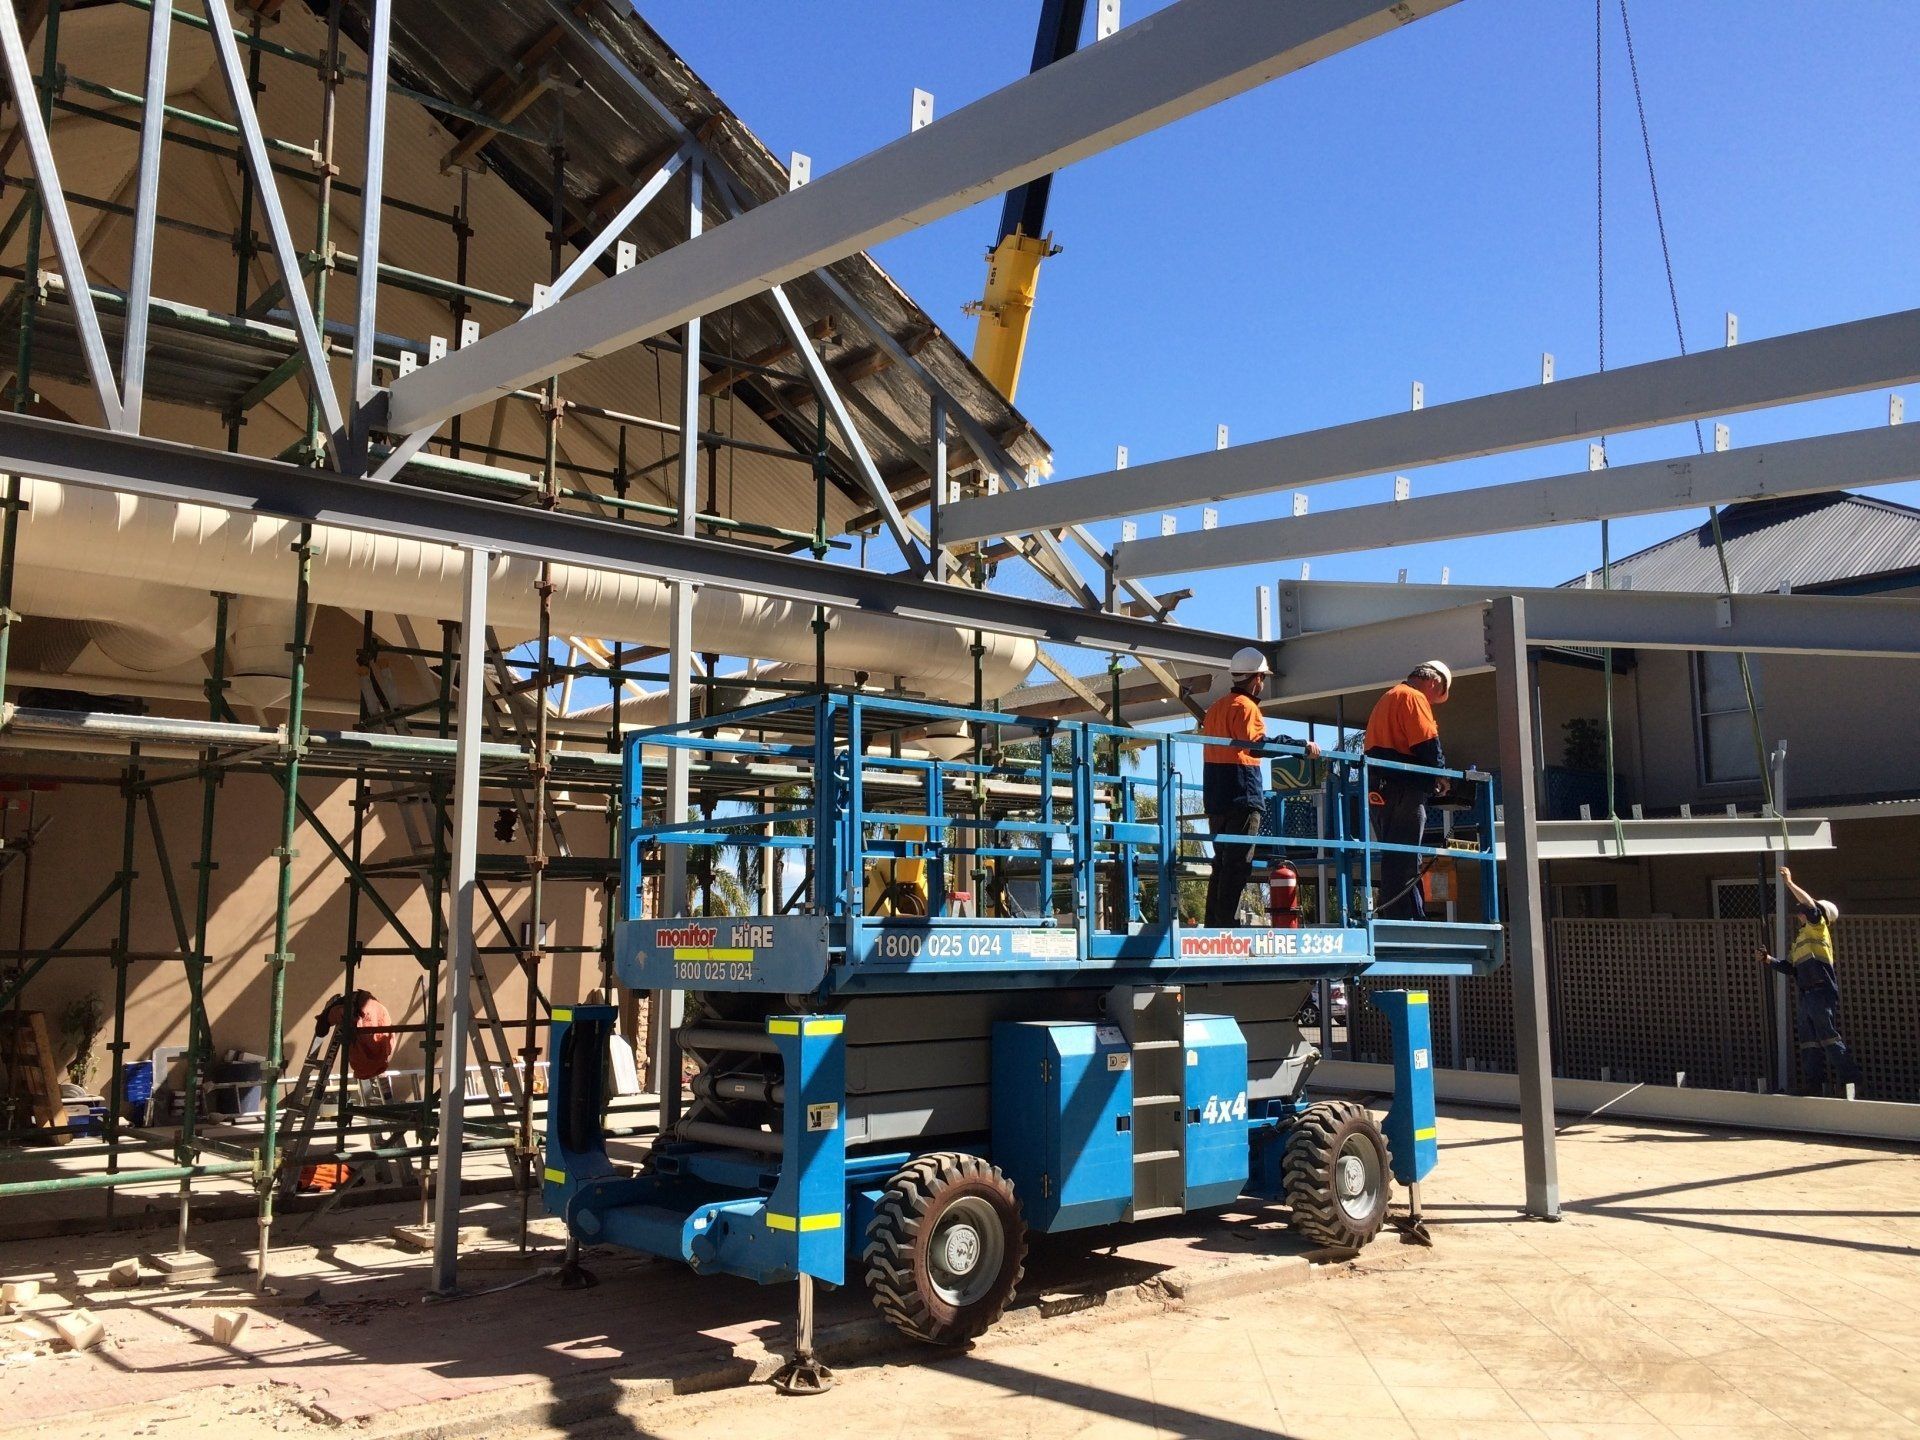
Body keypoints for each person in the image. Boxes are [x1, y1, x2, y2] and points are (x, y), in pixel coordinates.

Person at [1199, 647, 1317, 926]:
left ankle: (1214, 923)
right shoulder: (1246, 707)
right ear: (1256, 678)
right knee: (1238, 864)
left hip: (1216, 795)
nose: (1262, 683)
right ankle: (1224, 925)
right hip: (1241, 792)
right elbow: (1258, 745)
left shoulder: (1216, 708)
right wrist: (1300, 747)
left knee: (1222, 863)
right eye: (1262, 678)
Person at [1757, 866, 1861, 1096]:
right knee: (1809, 1042)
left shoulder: (1818, 928)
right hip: (1807, 994)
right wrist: (1769, 960)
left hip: (1821, 992)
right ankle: (1814, 1085)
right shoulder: (1802, 938)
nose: (1801, 912)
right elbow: (1791, 968)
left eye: (1804, 910)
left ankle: (1851, 1082)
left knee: (1828, 1037)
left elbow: (1811, 906)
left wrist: (1789, 883)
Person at [1362, 661, 1452, 921]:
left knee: (1393, 855)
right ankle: (1409, 915)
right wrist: (1440, 775)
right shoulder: (1413, 697)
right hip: (1403, 788)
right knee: (1407, 855)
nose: (1434, 702)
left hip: (1380, 787)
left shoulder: (1388, 697)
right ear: (1434, 682)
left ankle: (1393, 911)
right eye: (1438, 695)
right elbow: (1427, 744)